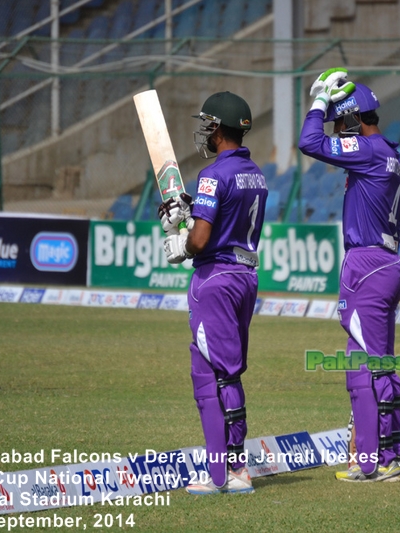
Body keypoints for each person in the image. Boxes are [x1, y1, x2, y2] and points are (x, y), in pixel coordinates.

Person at [299, 68, 400, 482]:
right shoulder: (391, 154)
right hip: (387, 263)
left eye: (339, 122)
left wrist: (318, 103)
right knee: (376, 365)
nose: (338, 131)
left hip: (366, 265)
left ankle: (374, 461)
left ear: (351, 119)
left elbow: (309, 142)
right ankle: (389, 455)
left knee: (365, 368)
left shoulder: (368, 150)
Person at [160, 91, 268, 495]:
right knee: (230, 371)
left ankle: (220, 474)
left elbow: (202, 239)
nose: (205, 132)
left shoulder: (213, 175)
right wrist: (189, 214)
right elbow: (226, 218)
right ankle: (237, 467)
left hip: (215, 279)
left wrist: (179, 243)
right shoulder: (255, 172)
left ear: (220, 128)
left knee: (209, 374)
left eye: (209, 125)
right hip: (245, 277)